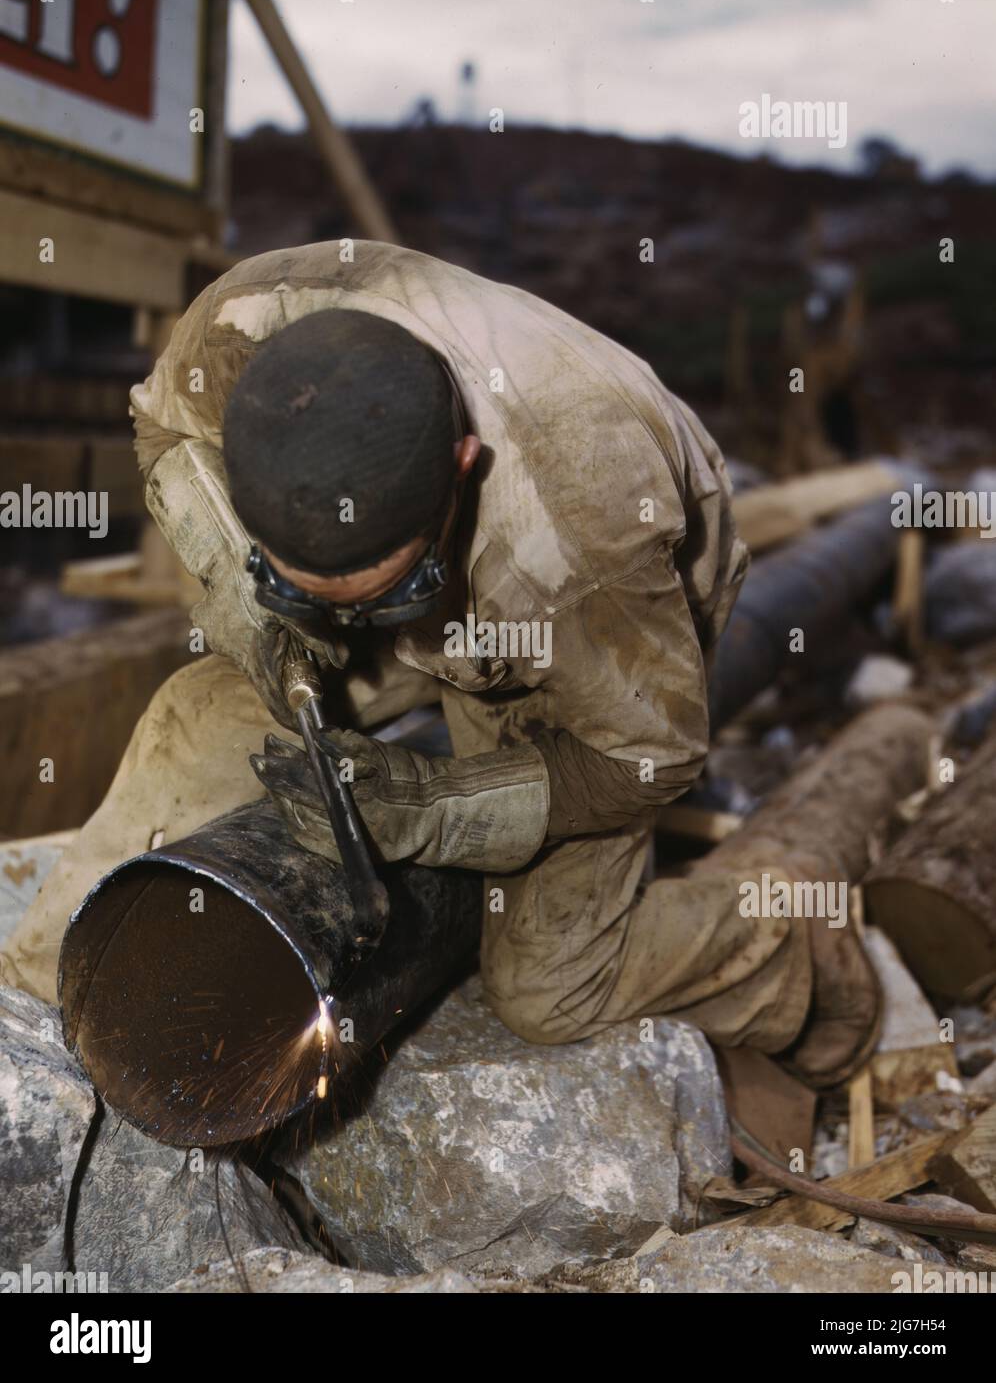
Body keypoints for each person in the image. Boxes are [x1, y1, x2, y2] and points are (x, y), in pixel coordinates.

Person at [1, 240, 879, 1085]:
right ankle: (40, 1000)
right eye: (309, 590)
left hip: (578, 624)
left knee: (547, 986)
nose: (348, 627)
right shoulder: (240, 326)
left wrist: (436, 808)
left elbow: (651, 758)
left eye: (387, 592)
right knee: (203, 711)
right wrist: (242, 584)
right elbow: (162, 430)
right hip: (442, 565)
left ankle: (791, 951)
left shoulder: (584, 541)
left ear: (463, 466)